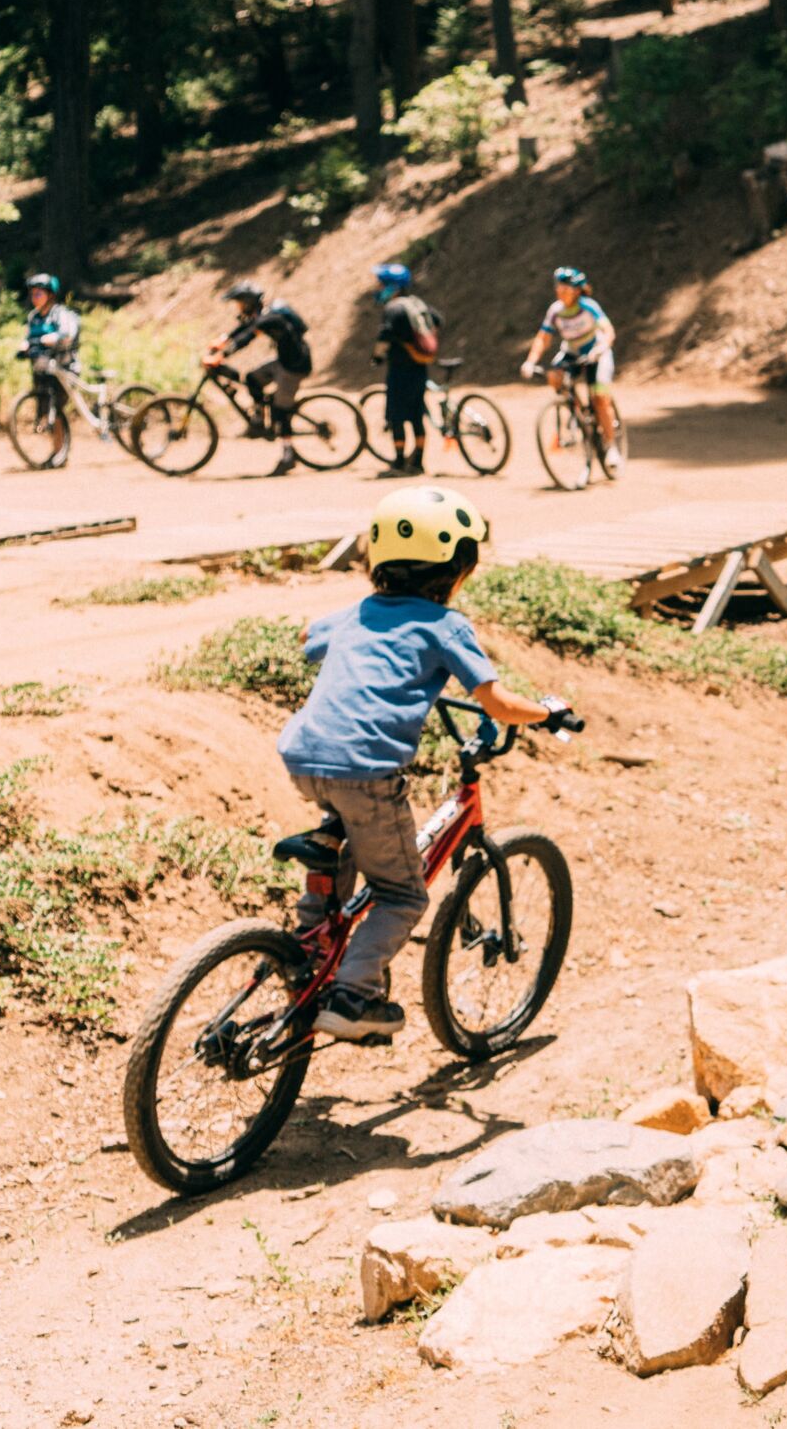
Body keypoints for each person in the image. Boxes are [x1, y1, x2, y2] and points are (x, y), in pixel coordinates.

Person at [274, 484, 575, 1041]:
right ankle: (352, 996)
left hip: (303, 757)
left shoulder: (357, 613)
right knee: (402, 894)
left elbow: (306, 636)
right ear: (457, 568)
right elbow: (498, 703)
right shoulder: (446, 626)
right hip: (366, 770)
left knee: (340, 838)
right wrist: (548, 712)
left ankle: (306, 949)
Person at [212, 281, 313, 477]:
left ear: (249, 302)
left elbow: (248, 336)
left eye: (240, 303)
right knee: (252, 378)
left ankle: (288, 456)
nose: (239, 308)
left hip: (294, 366)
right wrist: (222, 340)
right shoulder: (263, 313)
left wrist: (221, 356)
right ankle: (258, 418)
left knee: (280, 410)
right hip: (283, 362)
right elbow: (244, 327)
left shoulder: (270, 317)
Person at [520, 267, 619, 453]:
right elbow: (543, 338)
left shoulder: (588, 305)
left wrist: (602, 347)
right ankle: (577, 411)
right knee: (554, 376)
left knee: (599, 398)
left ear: (576, 290)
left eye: (565, 289)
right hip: (572, 351)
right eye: (558, 288)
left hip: (597, 351)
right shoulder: (555, 310)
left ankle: (611, 444)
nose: (560, 292)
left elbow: (608, 331)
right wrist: (530, 361)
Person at [369, 263, 442, 478]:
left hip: (400, 370)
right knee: (417, 415)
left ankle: (399, 462)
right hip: (420, 368)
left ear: (392, 286)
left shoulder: (393, 309)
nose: (379, 288)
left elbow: (385, 336)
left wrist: (377, 357)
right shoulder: (417, 304)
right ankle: (418, 461)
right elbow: (438, 321)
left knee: (397, 417)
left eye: (382, 284)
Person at [16, 273, 82, 469]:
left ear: (50, 295)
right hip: (42, 370)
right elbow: (29, 338)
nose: (34, 298)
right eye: (32, 294)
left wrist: (55, 337)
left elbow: (68, 334)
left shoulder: (60, 314)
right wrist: (24, 346)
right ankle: (57, 451)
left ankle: (59, 451)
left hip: (63, 367)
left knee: (57, 409)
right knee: (45, 409)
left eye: (38, 294)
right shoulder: (33, 318)